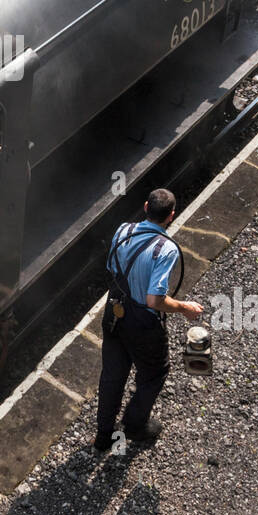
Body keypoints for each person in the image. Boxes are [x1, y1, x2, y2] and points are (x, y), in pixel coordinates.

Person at [94, 188, 203, 452]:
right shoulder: (166, 249)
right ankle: (134, 425)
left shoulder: (123, 230)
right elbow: (155, 300)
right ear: (171, 216)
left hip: (114, 311)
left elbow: (111, 267)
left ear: (145, 206)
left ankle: (103, 436)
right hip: (142, 322)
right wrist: (184, 308)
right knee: (155, 372)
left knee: (112, 375)